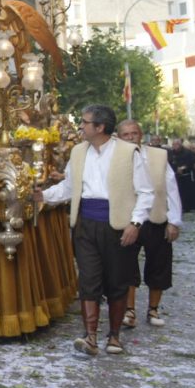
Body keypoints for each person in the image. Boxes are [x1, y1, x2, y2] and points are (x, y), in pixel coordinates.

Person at [36, 105, 154, 356]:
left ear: (100, 127)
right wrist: (42, 196)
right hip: (85, 224)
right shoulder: (78, 152)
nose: (80, 126)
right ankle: (90, 336)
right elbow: (69, 188)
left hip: (118, 226)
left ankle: (114, 336)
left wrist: (135, 224)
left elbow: (145, 193)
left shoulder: (128, 152)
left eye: (84, 122)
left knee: (117, 281)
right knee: (88, 279)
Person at [117, 120, 181, 329]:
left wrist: (174, 221)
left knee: (158, 265)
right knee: (126, 266)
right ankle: (129, 310)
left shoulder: (158, 155)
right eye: (125, 134)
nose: (130, 137)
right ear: (118, 136)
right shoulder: (115, 158)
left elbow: (171, 189)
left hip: (156, 218)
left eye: (134, 133)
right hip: (127, 220)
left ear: (141, 135)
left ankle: (153, 309)